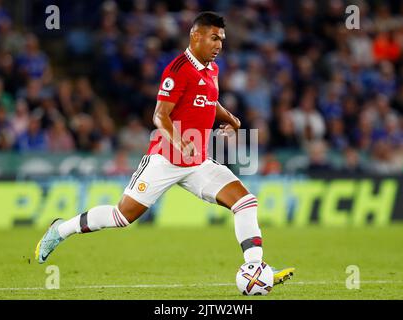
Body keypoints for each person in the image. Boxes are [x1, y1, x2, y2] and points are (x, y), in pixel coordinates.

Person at [34, 12, 294, 286]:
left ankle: (255, 268)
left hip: (197, 163)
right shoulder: (178, 69)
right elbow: (160, 115)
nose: (219, 45)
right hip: (165, 159)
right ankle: (60, 229)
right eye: (214, 38)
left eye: (222, 39)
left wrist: (230, 118)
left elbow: (208, 101)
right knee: (121, 216)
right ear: (196, 36)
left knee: (245, 202)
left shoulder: (212, 69)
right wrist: (178, 139)